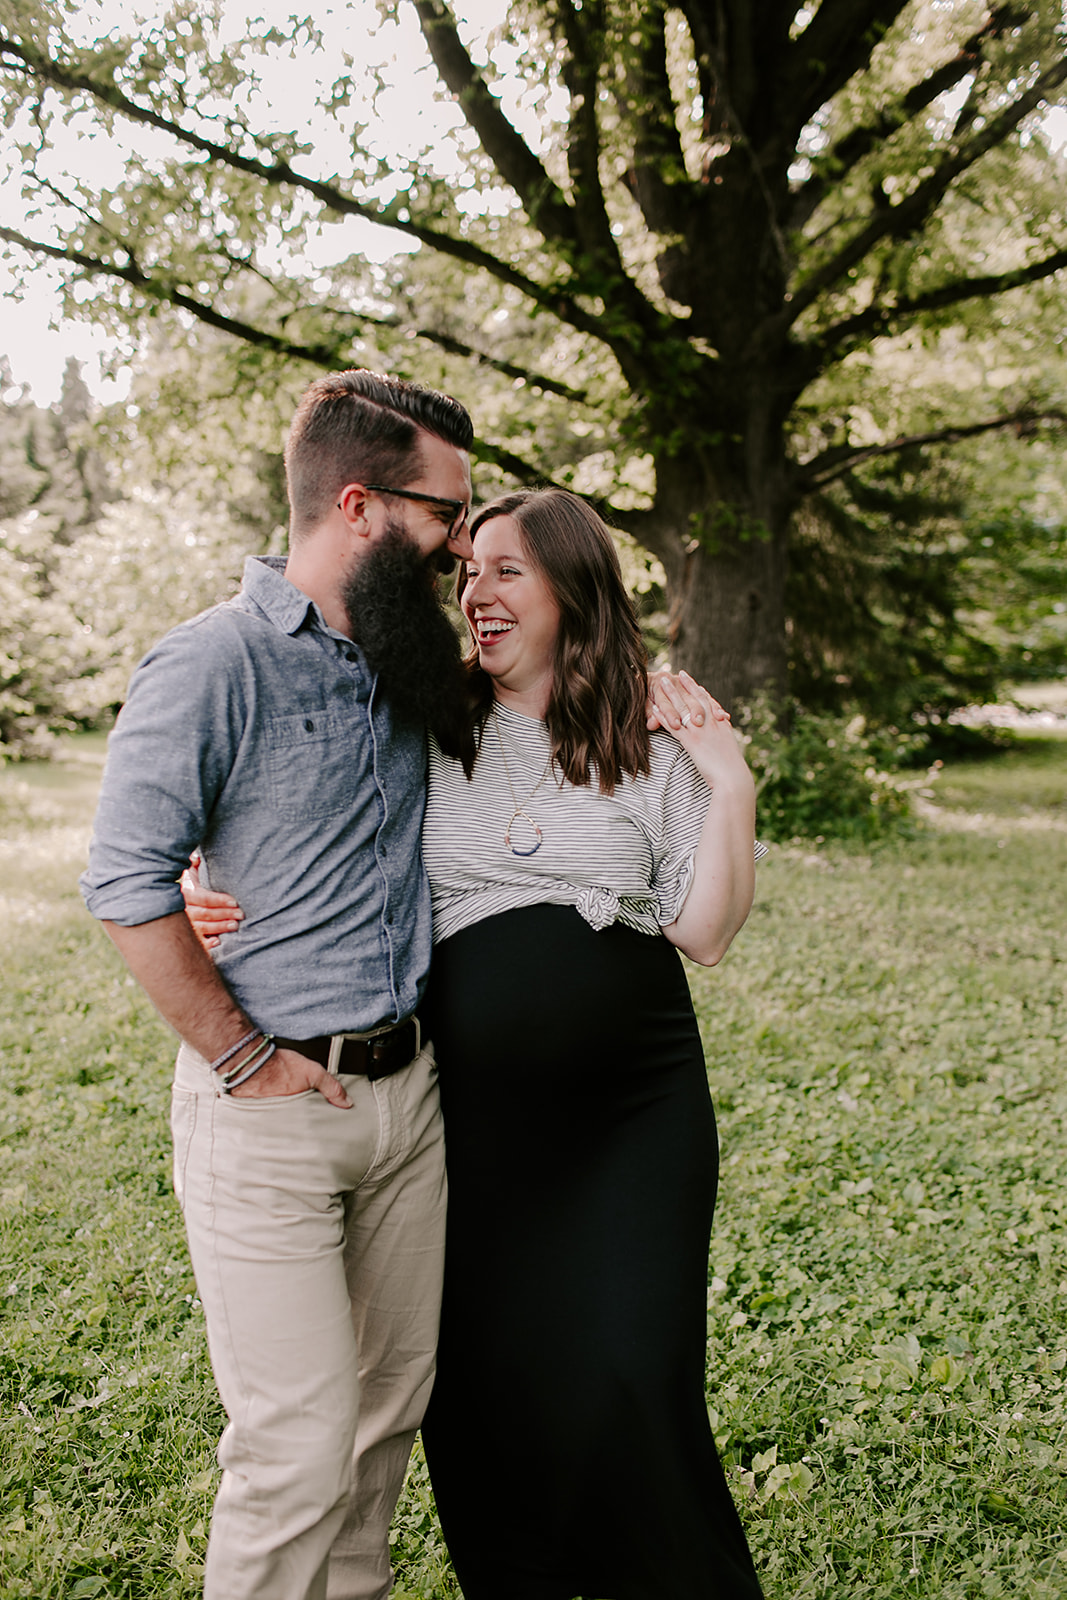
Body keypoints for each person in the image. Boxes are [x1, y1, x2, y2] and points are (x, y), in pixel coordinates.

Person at [188, 487, 767, 1600]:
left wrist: (728, 779)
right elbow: (288, 793)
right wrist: (197, 876)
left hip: (631, 1115)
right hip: (472, 1125)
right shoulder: (422, 718)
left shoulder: (646, 731)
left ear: (569, 586)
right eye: (468, 572)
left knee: (635, 1371)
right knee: (484, 1383)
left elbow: (704, 932)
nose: (475, 592)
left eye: (505, 569)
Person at [79, 368, 480, 1600]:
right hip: (266, 1116)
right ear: (358, 506)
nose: (460, 546)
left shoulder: (412, 662)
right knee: (294, 1453)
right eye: (442, 515)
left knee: (378, 1431)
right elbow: (125, 880)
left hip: (408, 1107)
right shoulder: (210, 662)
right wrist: (243, 1057)